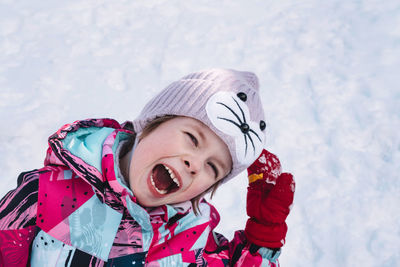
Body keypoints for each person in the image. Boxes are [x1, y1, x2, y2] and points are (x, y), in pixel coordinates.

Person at [0, 68, 295, 266]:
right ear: (152, 123)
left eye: (213, 167)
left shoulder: (190, 241)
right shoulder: (45, 194)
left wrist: (263, 239)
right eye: (192, 138)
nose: (195, 164)